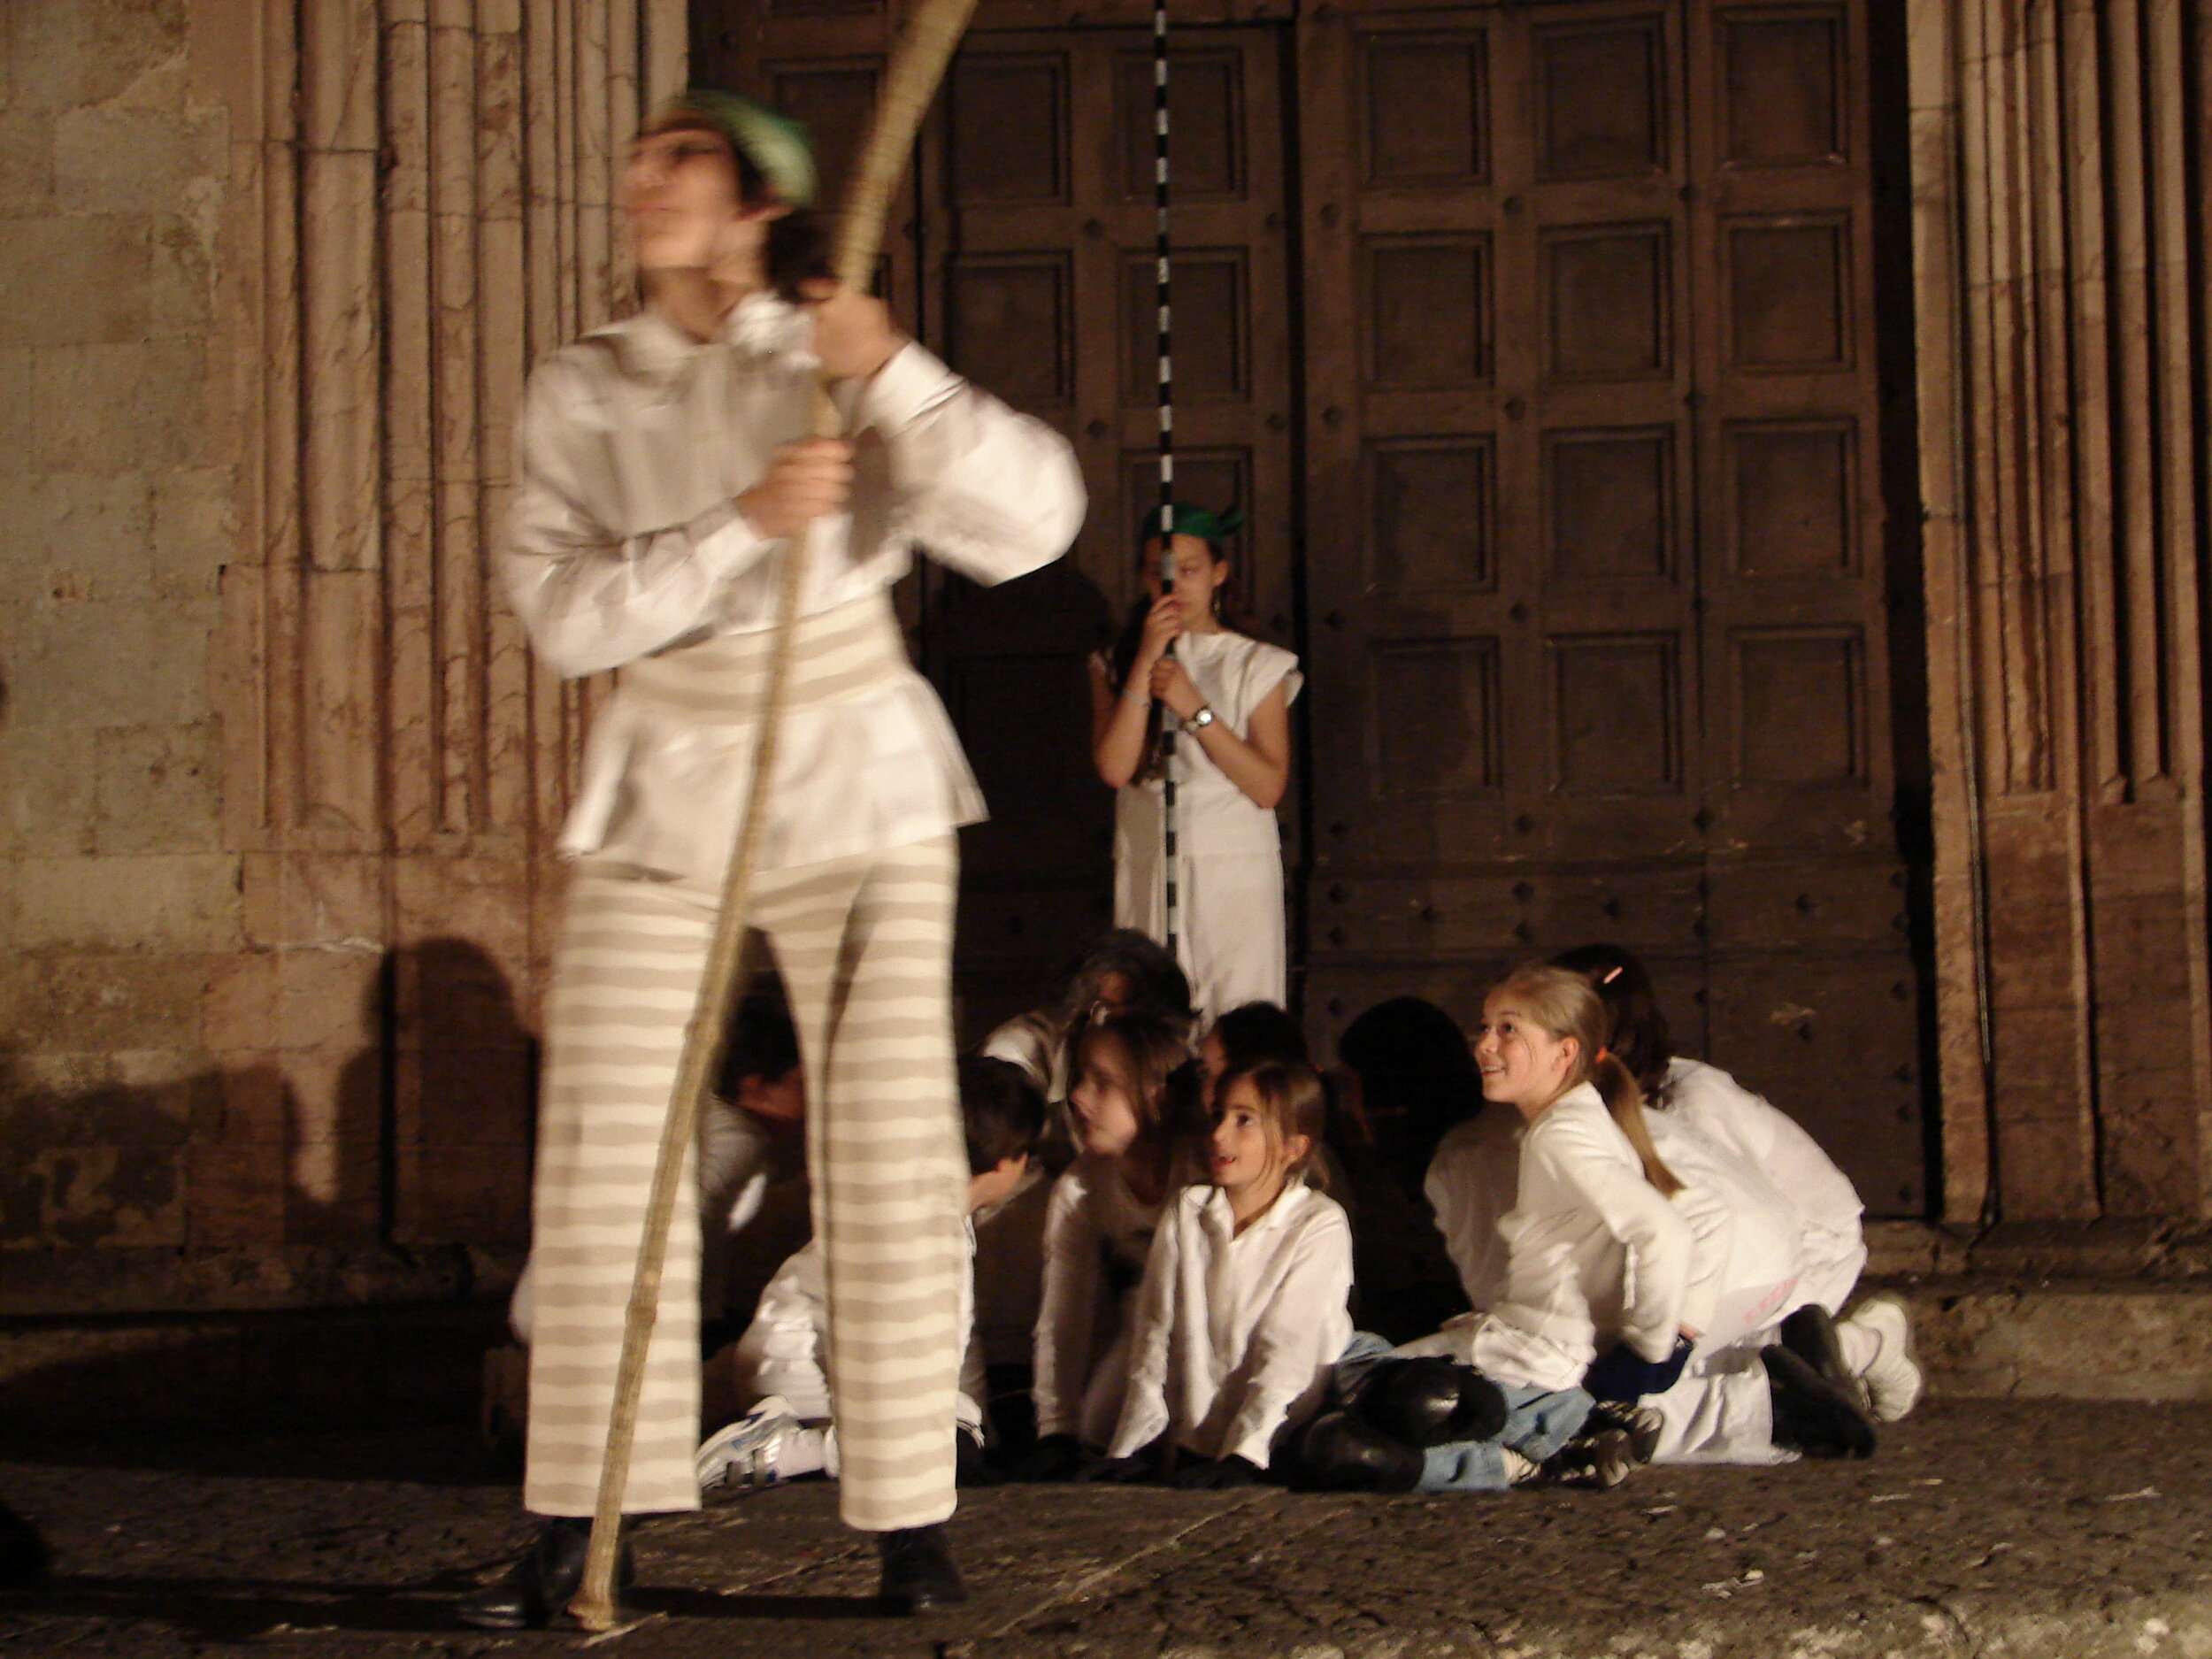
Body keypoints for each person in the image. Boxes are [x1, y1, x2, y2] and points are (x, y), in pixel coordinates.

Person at [462, 88, 1084, 1629]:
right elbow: (562, 617)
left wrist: (889, 371)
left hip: (855, 765)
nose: (640, 179)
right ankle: (577, 1519)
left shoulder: (831, 353)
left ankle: (909, 1518)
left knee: (880, 1150)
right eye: (639, 157)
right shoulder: (581, 385)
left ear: (758, 204)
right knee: (608, 1152)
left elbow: (1032, 525)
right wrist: (739, 523)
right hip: (664, 775)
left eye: (681, 160)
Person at [1307, 967, 1712, 1493]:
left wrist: (1645, 1357)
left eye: (1509, 1030)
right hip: (1528, 1349)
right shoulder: (1565, 1120)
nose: (1484, 1046)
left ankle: (1567, 1428)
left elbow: (1665, 1232)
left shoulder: (1560, 1135)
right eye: (1484, 1027)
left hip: (1533, 1358)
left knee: (1345, 1375)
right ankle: (1536, 1454)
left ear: (1564, 1053)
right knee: (1352, 1420)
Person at [1552, 946, 1912, 1456]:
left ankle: (1865, 1344)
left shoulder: (1689, 1098)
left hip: (1810, 1244)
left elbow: (1742, 1215)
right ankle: (1831, 1358)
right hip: (1731, 1247)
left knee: (1679, 1363)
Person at [695, 1056, 1047, 1490]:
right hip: (807, 1381)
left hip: (807, 1372)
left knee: (960, 1425)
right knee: (935, 1447)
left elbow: (952, 1343)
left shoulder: (925, 1211)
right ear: (1006, 1160)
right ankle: (780, 1453)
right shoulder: (923, 1227)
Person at [1092, 1060, 1354, 1486]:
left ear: (1293, 1146)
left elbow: (1287, 1353)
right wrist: (1134, 1445)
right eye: (1219, 1115)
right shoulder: (1188, 1210)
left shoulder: (1318, 1223)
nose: (1218, 1135)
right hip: (1199, 1444)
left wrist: (1246, 1453)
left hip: (1280, 1443)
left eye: (1244, 1120)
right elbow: (1155, 1335)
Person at [1090, 506, 1299, 1022]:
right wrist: (1144, 661)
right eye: (1162, 573)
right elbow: (1116, 769)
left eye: (1190, 570)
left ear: (1217, 573)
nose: (1176, 585)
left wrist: (1195, 709)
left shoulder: (1255, 663)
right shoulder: (1114, 661)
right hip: (1146, 860)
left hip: (1231, 868)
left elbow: (1267, 785)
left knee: (1236, 1015)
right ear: (1144, 578)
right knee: (1148, 1017)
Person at [1022, 1010, 1203, 1479]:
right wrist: (1056, 1429)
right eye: (1080, 1078)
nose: (1079, 1096)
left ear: (1158, 1095)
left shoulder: (1203, 1172)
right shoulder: (1082, 1187)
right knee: (1095, 1432)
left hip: (1216, 1335)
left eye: (1103, 1082)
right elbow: (1063, 1313)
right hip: (1144, 1333)